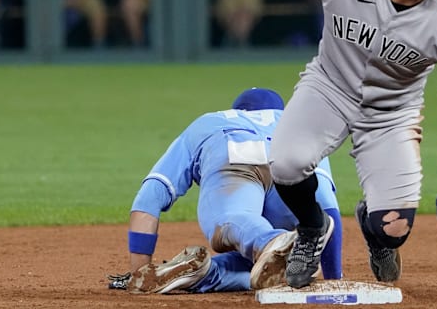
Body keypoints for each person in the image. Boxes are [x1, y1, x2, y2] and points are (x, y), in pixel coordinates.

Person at [212, 0, 437, 289]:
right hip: (329, 88)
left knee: (394, 227)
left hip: (392, 113)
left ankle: (375, 232)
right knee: (286, 164)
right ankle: (311, 228)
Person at [108, 88, 342, 294]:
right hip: (286, 166)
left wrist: (139, 273)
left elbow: (150, 197)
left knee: (235, 220)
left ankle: (267, 242)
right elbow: (328, 211)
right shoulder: (297, 124)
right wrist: (334, 280)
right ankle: (215, 271)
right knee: (294, 265)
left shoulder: (210, 122)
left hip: (233, 158)